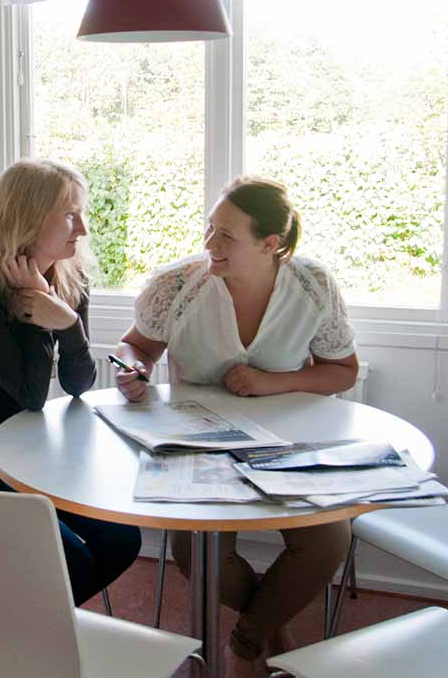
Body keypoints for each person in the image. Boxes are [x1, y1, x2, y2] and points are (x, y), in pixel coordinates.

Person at [113, 176, 360, 675]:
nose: (209, 245)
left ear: (271, 245)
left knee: (329, 540)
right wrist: (132, 370)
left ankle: (246, 639)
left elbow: (344, 371)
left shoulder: (313, 286)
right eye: (209, 229)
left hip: (287, 442)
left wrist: (271, 383)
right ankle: (267, 629)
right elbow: (134, 346)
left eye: (226, 236)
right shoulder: (178, 285)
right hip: (195, 443)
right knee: (196, 552)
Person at [0, 158, 142, 607]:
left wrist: (66, 322)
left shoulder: (71, 278)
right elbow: (28, 395)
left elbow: (79, 383)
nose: (82, 227)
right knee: (75, 564)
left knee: (123, 542)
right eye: (69, 213)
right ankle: (20, 633)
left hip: (33, 461)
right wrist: (38, 314)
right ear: (26, 217)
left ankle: (27, 625)